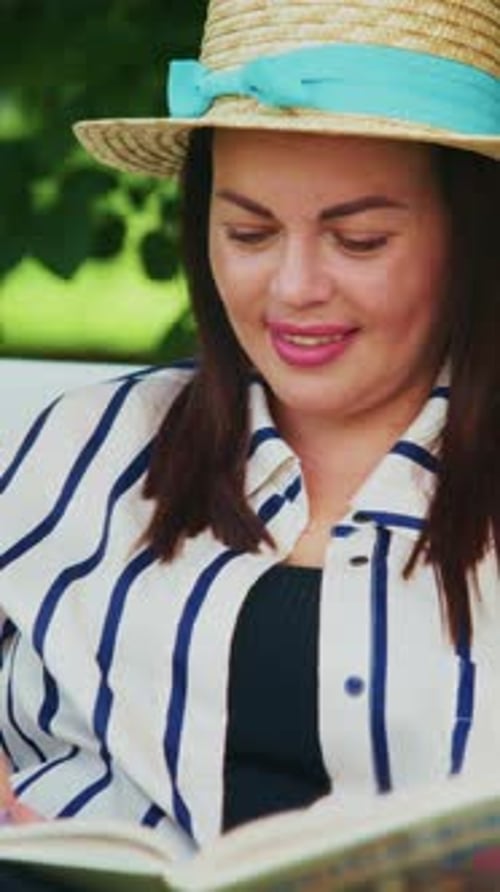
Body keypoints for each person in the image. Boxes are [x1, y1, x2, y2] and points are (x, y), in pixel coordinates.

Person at [0, 0, 499, 879]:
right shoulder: (86, 446)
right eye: (249, 232)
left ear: (471, 237)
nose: (294, 286)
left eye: (359, 238)